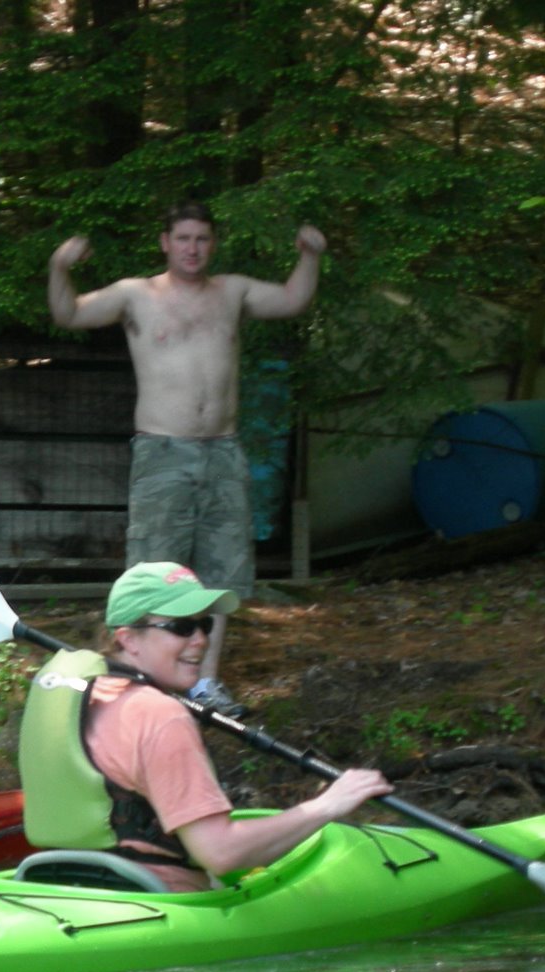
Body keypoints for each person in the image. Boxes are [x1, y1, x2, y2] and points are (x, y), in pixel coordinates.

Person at [48, 201, 328, 716]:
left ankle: (204, 685)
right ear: (165, 242)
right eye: (183, 238)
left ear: (212, 244)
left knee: (223, 575)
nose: (193, 248)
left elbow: (292, 298)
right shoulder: (136, 295)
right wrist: (60, 267)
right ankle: (144, 683)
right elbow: (68, 314)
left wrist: (310, 255)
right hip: (163, 451)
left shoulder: (232, 291)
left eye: (201, 239)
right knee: (154, 570)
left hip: (223, 449)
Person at [18, 561, 392, 892]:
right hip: (157, 901)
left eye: (204, 623)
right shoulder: (161, 715)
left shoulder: (78, 695)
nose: (200, 639)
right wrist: (328, 805)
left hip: (60, 887)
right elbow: (222, 853)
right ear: (127, 639)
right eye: (181, 627)